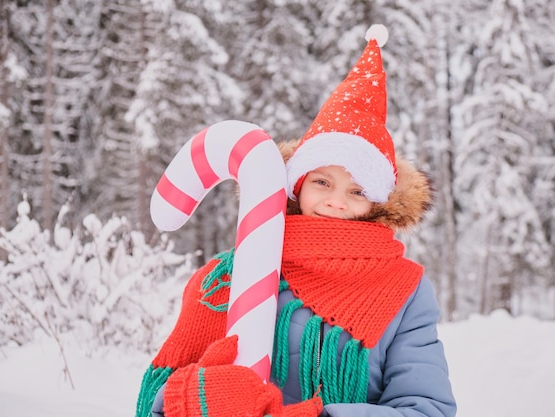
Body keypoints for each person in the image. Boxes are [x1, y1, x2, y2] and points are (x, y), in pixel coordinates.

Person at [135, 24, 456, 417]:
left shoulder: (404, 289)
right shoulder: (226, 278)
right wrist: (199, 396)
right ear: (297, 185)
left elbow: (426, 410)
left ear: (376, 203)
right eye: (322, 182)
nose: (336, 201)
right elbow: (160, 407)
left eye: (357, 191)